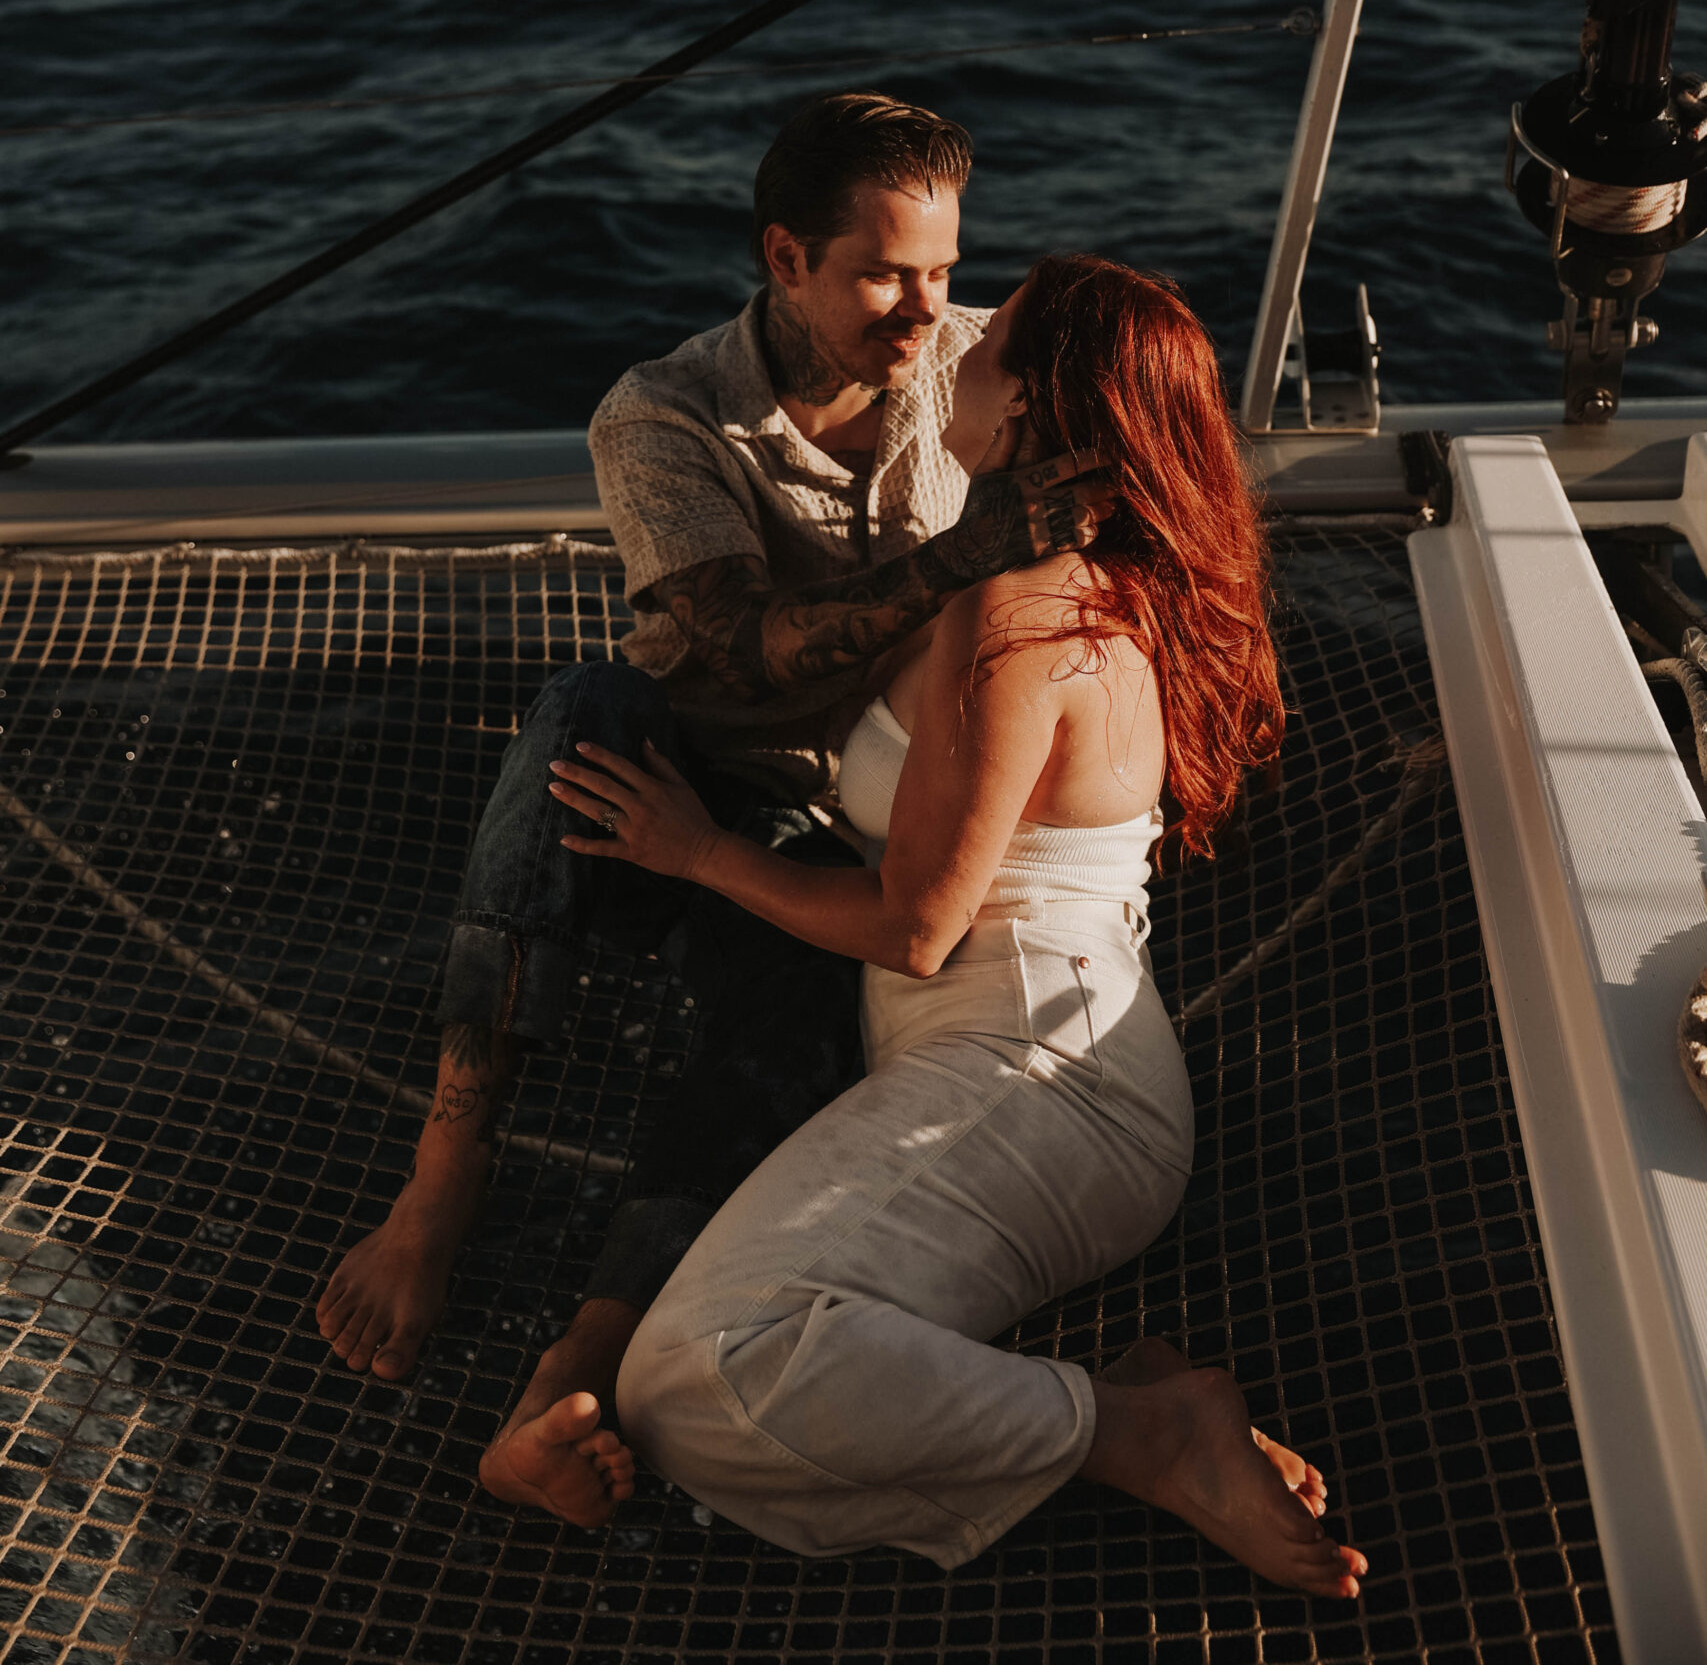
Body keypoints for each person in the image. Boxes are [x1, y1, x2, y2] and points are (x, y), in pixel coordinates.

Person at [499, 255, 1367, 1601]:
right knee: (719, 1363)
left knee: (700, 1378)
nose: (959, 350)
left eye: (995, 338)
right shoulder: (1070, 585)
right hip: (1024, 1055)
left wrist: (699, 851)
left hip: (1039, 1077)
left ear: (1026, 413)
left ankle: (1144, 1434)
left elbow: (914, 931)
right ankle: (1124, 1401)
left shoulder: (1022, 618)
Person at [315, 93, 1106, 1521]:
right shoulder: (664, 414)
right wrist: (959, 563)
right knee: (578, 711)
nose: (928, 311)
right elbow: (734, 648)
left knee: (799, 1013)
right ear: (785, 255)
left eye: (942, 268)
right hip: (681, 778)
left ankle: (580, 1364)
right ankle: (441, 1185)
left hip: (866, 822)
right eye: (883, 274)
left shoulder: (983, 363)